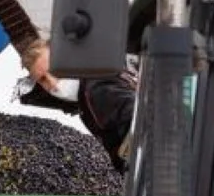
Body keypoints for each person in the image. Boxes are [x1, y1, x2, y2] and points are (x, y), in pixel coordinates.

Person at [19, 40, 138, 172]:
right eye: (42, 79)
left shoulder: (96, 91)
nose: (52, 83)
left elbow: (143, 122)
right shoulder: (89, 91)